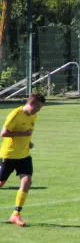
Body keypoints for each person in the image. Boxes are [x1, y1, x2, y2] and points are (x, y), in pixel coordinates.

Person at [1, 93, 46, 227]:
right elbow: (3, 133)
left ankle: (15, 214)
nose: (38, 110)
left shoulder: (33, 115)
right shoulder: (15, 114)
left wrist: (29, 142)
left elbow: (27, 133)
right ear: (31, 103)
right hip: (9, 155)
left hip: (24, 155)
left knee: (27, 181)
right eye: (37, 107)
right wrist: (23, 135)